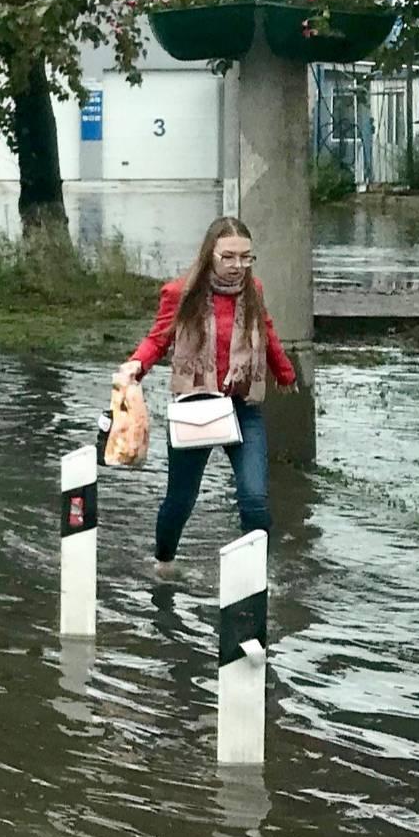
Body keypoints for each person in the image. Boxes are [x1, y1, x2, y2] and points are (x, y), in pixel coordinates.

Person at [115, 216, 297, 579]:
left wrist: (285, 372)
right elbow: (159, 338)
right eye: (228, 257)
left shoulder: (254, 290)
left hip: (242, 404)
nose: (238, 267)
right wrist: (136, 364)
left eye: (246, 258)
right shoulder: (181, 293)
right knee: (180, 501)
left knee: (254, 500)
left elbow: (267, 329)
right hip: (196, 404)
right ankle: (163, 564)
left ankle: (254, 579)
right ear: (210, 254)